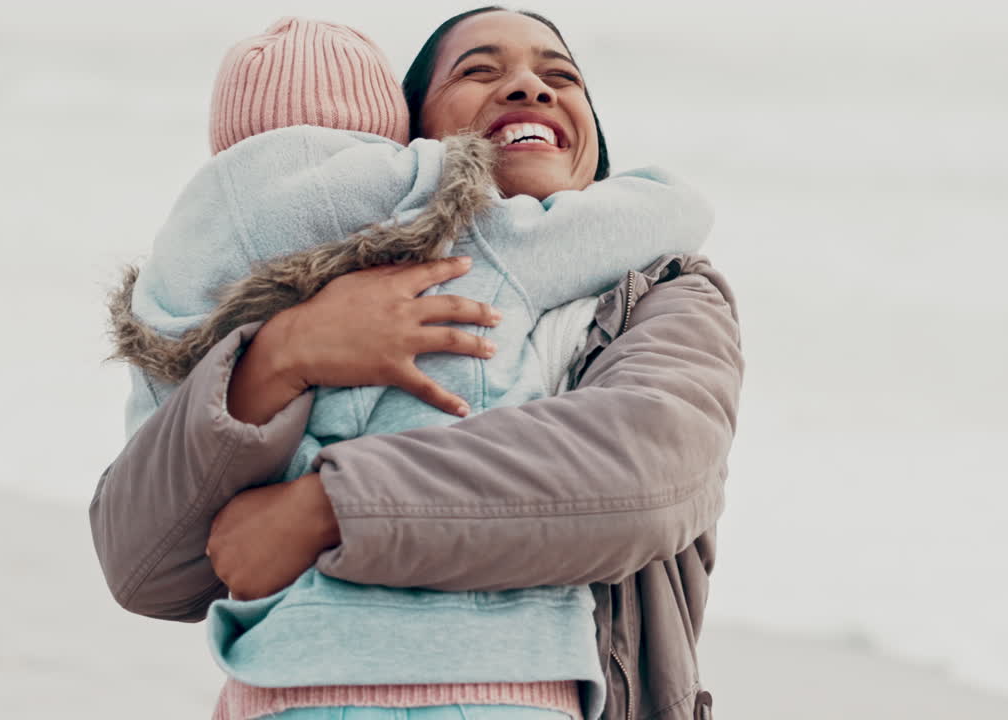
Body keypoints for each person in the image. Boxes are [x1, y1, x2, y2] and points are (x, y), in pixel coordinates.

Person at [90, 8, 742, 720]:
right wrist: (281, 358)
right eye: (479, 70)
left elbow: (640, 475)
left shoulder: (664, 290)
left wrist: (328, 509)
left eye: (561, 76)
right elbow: (144, 565)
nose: (530, 86)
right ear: (408, 145)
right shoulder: (298, 303)